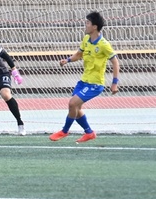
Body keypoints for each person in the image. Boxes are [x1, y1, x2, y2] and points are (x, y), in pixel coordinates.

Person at [50, 11, 119, 143]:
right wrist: (67, 60)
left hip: (95, 84)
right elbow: (78, 55)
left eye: (87, 23)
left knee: (72, 104)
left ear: (94, 27)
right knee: (76, 108)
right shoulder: (86, 39)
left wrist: (115, 83)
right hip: (84, 81)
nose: (85, 25)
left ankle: (64, 131)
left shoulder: (104, 45)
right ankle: (89, 132)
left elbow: (115, 61)